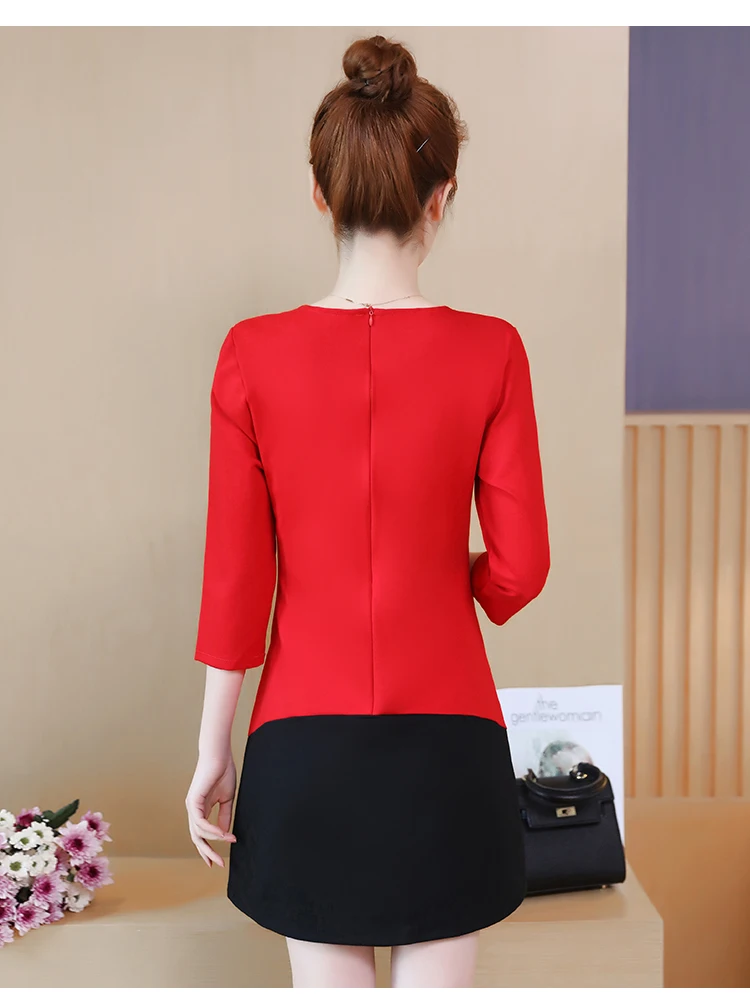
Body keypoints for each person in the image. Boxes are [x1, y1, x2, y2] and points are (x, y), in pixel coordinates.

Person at [185, 33, 550, 989]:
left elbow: (236, 582)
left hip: (302, 745)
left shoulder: (250, 355)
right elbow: (521, 569)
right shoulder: (494, 352)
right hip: (452, 744)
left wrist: (213, 749)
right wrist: (450, 584)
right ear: (442, 197)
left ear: (321, 193)